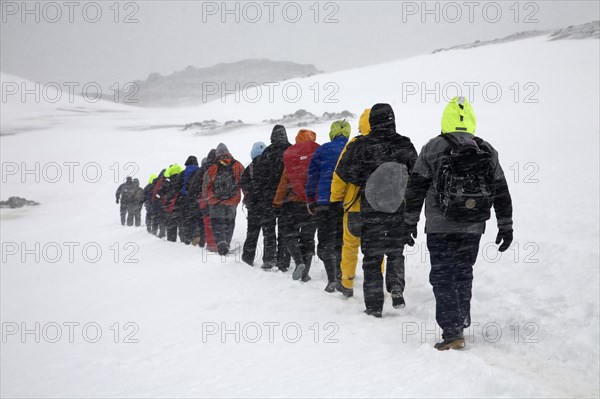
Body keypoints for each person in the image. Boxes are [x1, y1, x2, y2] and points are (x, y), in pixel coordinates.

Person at [403, 96, 513, 350]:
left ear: (445, 119)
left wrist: (409, 222)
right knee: (463, 272)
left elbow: (416, 188)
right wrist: (505, 225)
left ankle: (452, 331)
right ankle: (461, 317)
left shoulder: (432, 147)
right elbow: (501, 190)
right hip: (473, 225)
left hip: (440, 226)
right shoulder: (486, 149)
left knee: (443, 276)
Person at [335, 103, 417, 318]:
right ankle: (396, 286)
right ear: (393, 119)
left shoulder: (361, 145)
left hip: (369, 209)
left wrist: (365, 178)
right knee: (395, 252)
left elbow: (344, 171)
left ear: (371, 122)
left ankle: (373, 307)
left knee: (372, 258)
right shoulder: (404, 144)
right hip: (397, 208)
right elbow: (416, 176)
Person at [330, 109, 379, 297]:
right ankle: (376, 279)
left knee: (350, 246)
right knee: (376, 247)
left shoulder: (355, 144)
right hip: (379, 208)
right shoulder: (388, 144)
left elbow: (340, 174)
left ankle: (347, 283)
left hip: (354, 206)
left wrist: (335, 199)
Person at [306, 120, 350, 292]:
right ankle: (341, 273)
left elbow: (312, 175)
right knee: (342, 240)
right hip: (346, 203)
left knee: (325, 241)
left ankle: (332, 277)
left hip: (325, 202)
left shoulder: (322, 149)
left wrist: (310, 198)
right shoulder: (352, 148)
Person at [273, 129, 319, 282]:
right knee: (309, 239)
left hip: (294, 204)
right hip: (312, 204)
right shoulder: (317, 156)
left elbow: (284, 182)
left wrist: (277, 201)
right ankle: (305, 273)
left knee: (290, 234)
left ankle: (298, 261)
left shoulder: (292, 159)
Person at [254, 125, 292, 271]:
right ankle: (283, 260)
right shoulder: (291, 150)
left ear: (272, 136)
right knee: (285, 230)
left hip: (267, 198)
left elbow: (259, 178)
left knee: (268, 230)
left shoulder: (267, 152)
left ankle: (269, 258)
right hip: (286, 198)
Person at [203, 143, 245, 255]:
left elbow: (206, 186)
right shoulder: (238, 165)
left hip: (215, 202)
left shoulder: (212, 168)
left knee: (217, 222)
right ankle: (226, 242)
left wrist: (207, 200)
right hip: (232, 201)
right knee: (229, 222)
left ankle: (221, 243)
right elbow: (245, 182)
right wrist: (247, 196)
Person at [241, 141, 277, 268]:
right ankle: (270, 259)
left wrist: (252, 193)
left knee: (252, 233)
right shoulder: (271, 165)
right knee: (269, 233)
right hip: (268, 205)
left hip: (254, 206)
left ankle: (247, 258)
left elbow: (243, 185)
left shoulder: (249, 168)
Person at [179, 156, 201, 245]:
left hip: (185, 199)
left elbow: (177, 186)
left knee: (186, 220)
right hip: (196, 198)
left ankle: (187, 239)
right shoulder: (200, 171)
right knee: (197, 218)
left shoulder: (183, 173)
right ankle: (196, 237)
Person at [160, 163, 184, 242]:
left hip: (171, 207)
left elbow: (161, 192)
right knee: (182, 226)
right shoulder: (182, 179)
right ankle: (184, 243)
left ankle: (171, 242)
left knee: (171, 227)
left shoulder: (168, 181)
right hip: (182, 206)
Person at [151, 169, 167, 238]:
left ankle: (154, 232)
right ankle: (162, 233)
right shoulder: (164, 181)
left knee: (155, 218)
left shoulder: (156, 181)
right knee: (161, 218)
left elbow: (154, 192)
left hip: (155, 203)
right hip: (161, 203)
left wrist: (154, 199)